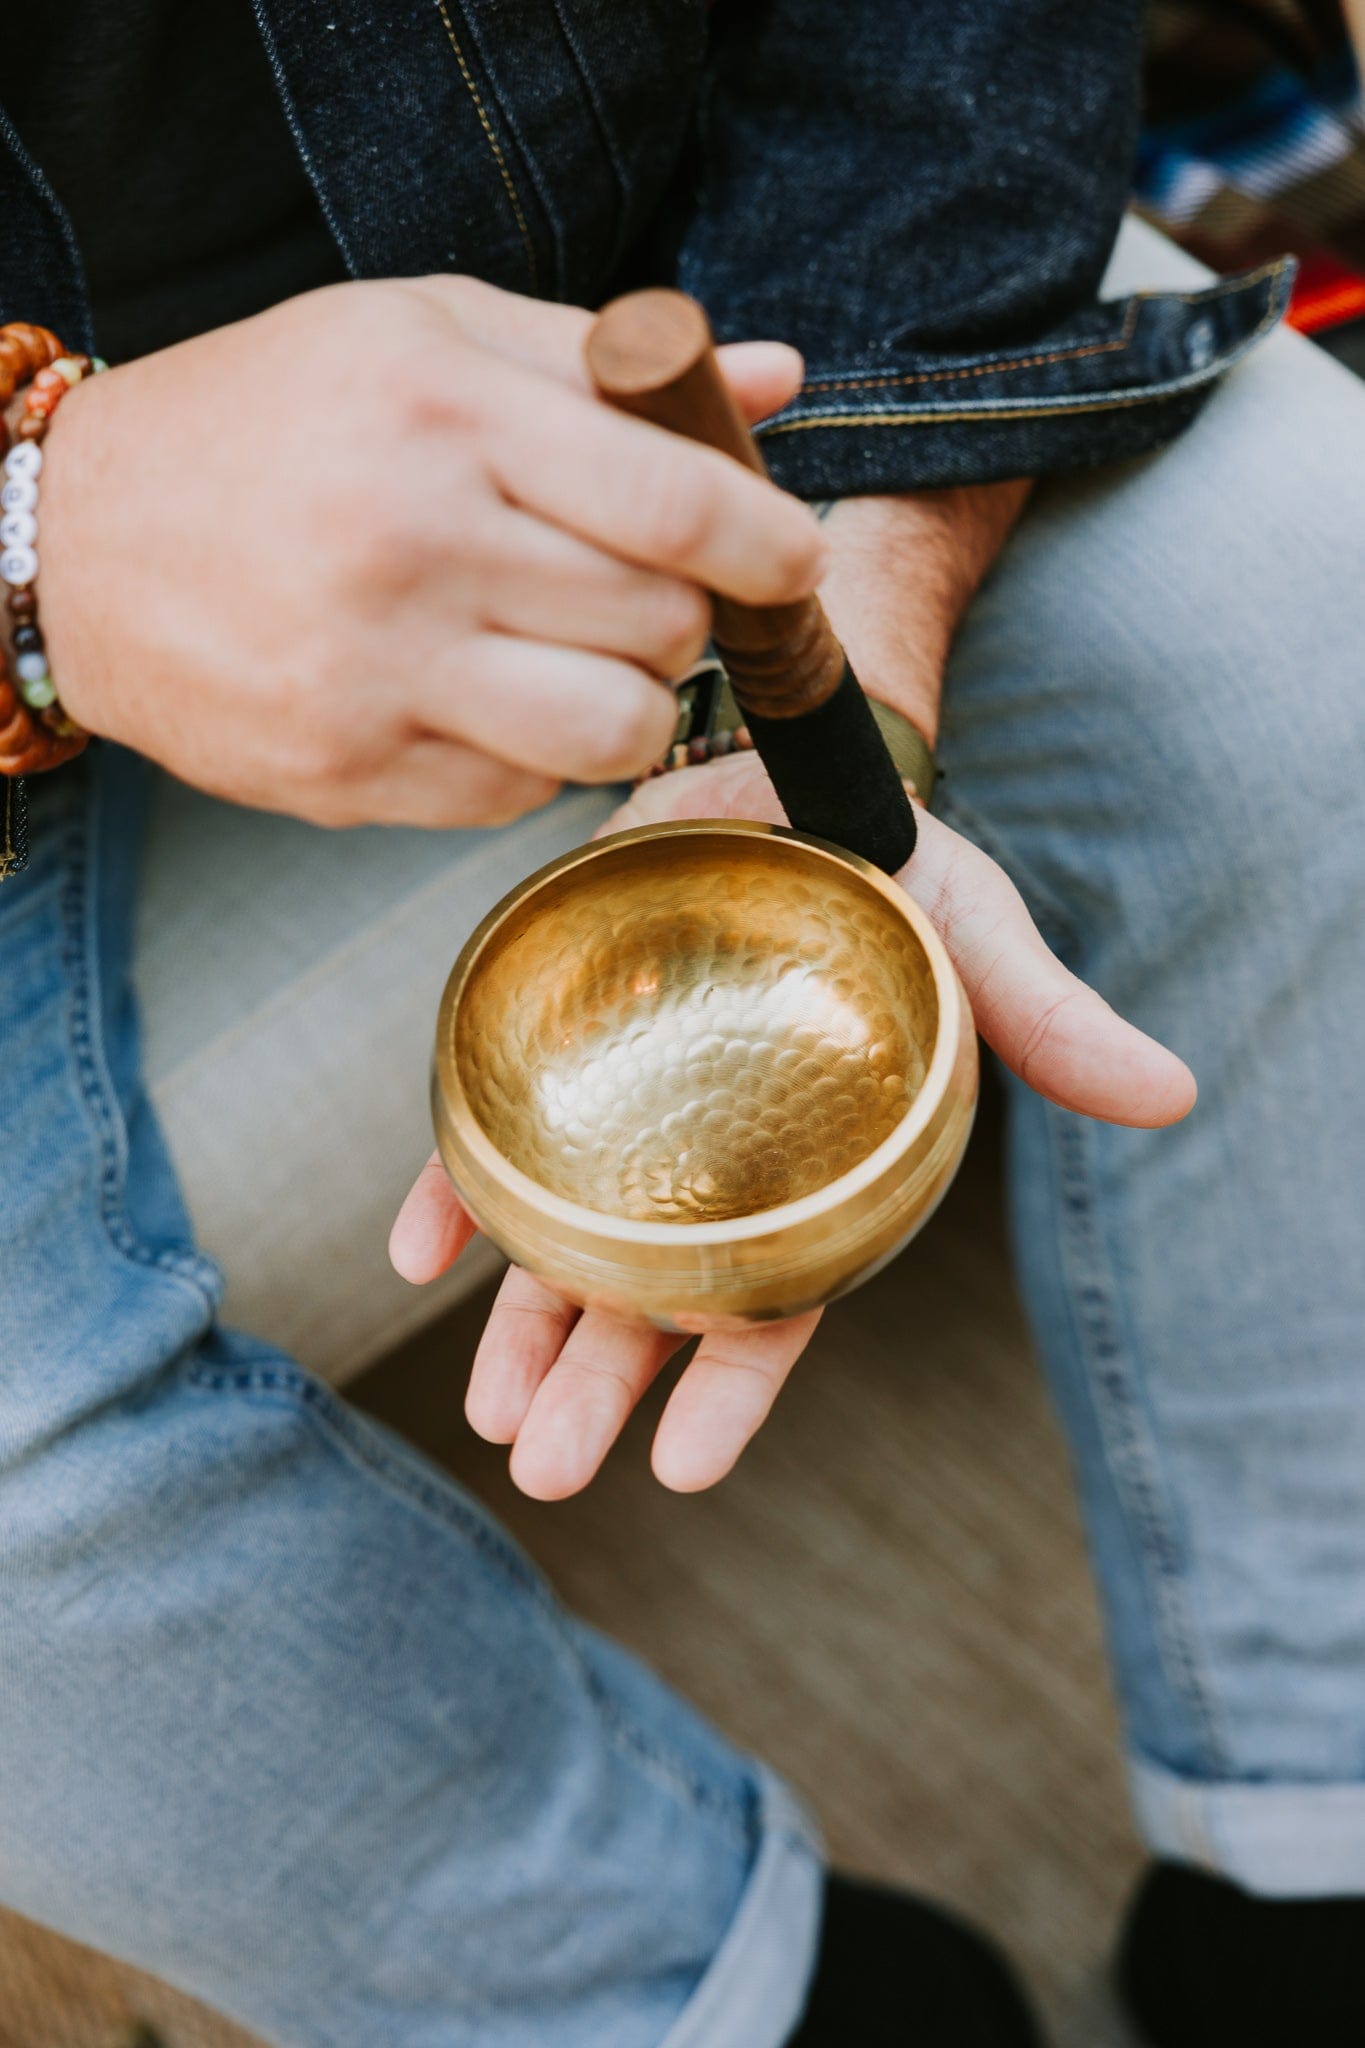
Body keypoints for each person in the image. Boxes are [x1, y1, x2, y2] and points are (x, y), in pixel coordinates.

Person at [0, 4, 1361, 2046]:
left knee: (1305, 643)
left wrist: (826, 653)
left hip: (698, 271)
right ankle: (721, 2004)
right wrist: (45, 529)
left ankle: (1315, 1843)